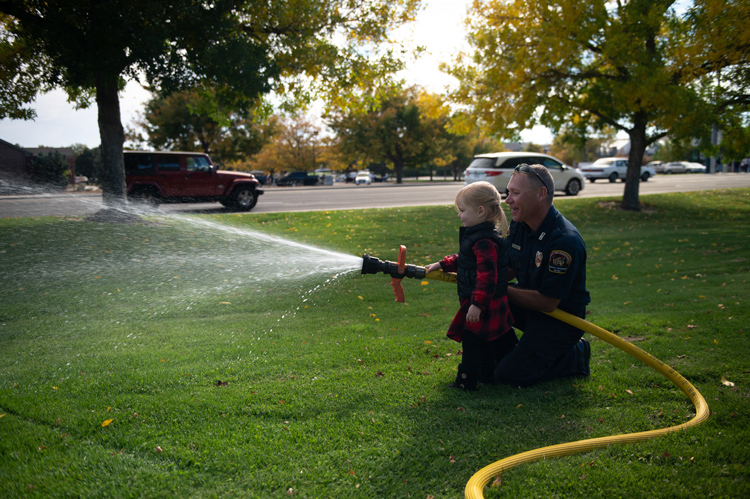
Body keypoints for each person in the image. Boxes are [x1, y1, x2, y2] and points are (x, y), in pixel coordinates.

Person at [494, 164, 591, 387]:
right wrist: (475, 271)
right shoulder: (520, 225)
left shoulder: (564, 241)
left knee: (508, 376)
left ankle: (575, 354)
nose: (507, 200)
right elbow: (508, 268)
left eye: (515, 193)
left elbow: (547, 302)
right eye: (509, 192)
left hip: (560, 321)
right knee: (481, 300)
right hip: (530, 308)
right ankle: (511, 352)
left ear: (541, 194)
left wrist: (498, 287)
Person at [425, 182, 517, 391]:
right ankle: (490, 375)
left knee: (473, 342)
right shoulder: (480, 237)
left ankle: (466, 383)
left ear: (480, 211)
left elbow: (487, 277)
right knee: (491, 341)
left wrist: (477, 305)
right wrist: (442, 264)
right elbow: (466, 259)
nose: (459, 215)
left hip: (484, 304)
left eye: (462, 210)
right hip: (487, 303)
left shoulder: (484, 240)